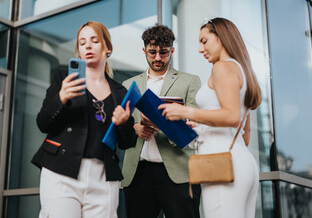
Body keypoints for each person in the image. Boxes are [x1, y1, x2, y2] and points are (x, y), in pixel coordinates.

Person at [31, 21, 137, 218]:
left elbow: (128, 142)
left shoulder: (120, 92)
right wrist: (61, 98)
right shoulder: (64, 80)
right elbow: (43, 123)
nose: (88, 46)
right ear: (78, 51)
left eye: (94, 40)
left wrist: (123, 124)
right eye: (82, 42)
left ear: (108, 48)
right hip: (62, 170)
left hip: (104, 176)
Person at [158, 17, 262, 218]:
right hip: (242, 160)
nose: (200, 49)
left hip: (221, 162)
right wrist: (202, 124)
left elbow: (231, 116)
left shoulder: (222, 67)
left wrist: (185, 111)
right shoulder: (242, 70)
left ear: (221, 36)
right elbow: (244, 135)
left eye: (204, 41)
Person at [121, 24, 201, 218]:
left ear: (172, 51)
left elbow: (196, 124)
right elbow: (122, 126)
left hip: (178, 171)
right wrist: (135, 127)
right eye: (152, 52)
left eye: (164, 52)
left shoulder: (190, 81)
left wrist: (167, 122)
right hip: (138, 172)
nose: (157, 58)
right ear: (144, 50)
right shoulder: (128, 85)